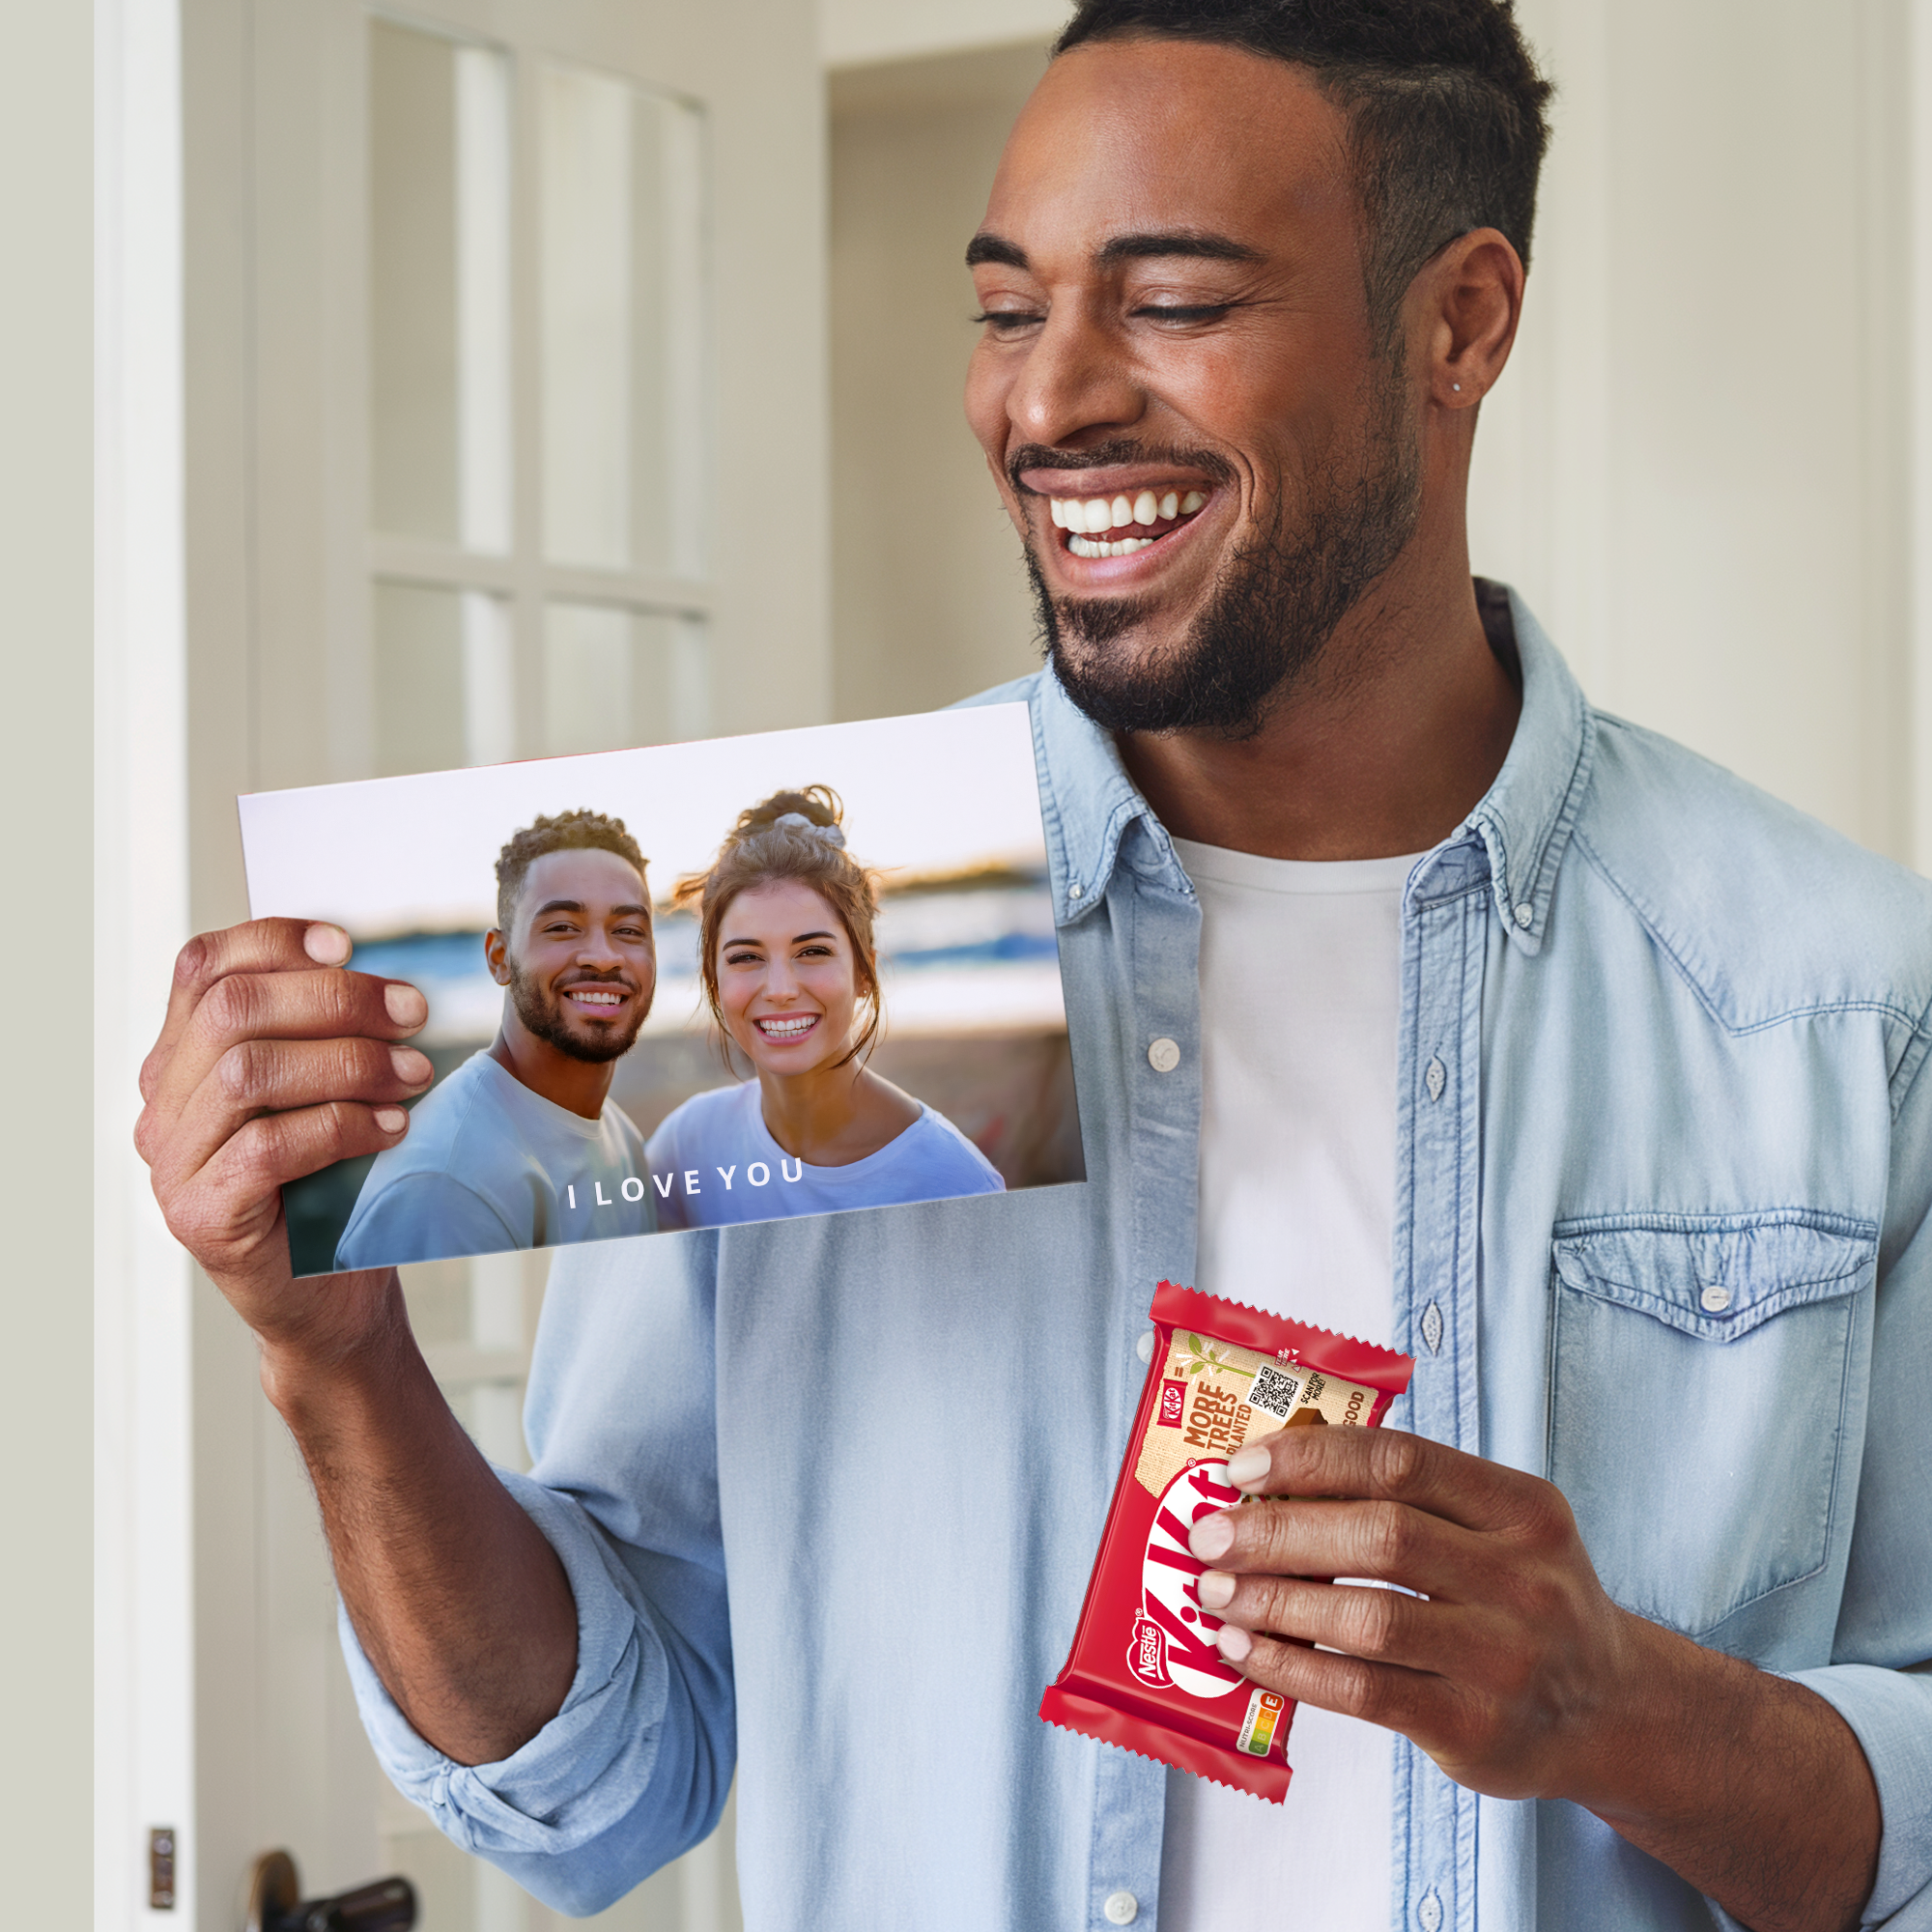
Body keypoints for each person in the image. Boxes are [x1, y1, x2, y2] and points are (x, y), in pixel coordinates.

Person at [132, 6, 1932, 1930]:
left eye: (1171, 302)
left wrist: (1621, 1709)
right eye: (1007, 310)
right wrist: (335, 1372)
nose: (1049, 399)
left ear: (1460, 324)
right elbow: (599, 1787)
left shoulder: (1838, 1005)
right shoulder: (780, 952)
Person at [645, 786, 1004, 1231]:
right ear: (714, 981)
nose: (779, 990)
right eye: (746, 957)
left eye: (812, 951)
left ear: (864, 973)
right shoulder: (688, 1147)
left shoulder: (953, 1182)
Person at [333, 810, 658, 1267]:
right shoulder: (447, 1184)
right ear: (500, 958)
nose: (604, 957)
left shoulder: (619, 1136)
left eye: (628, 930)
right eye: (562, 926)